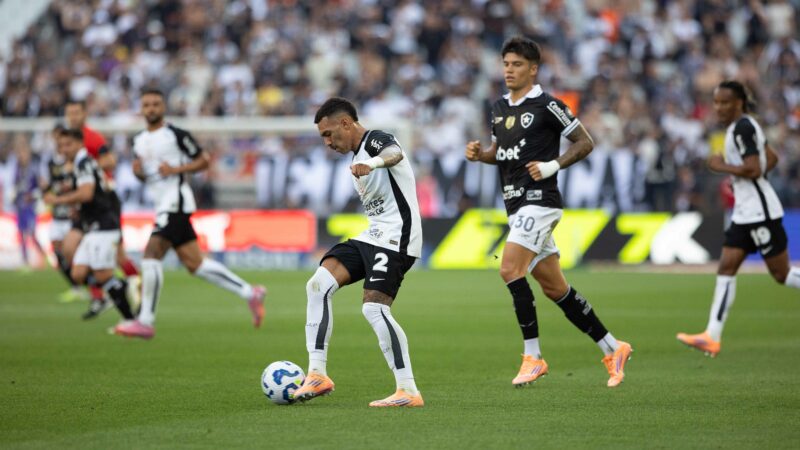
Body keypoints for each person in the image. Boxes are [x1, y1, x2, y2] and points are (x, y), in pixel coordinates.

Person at [465, 36, 632, 388]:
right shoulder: (498, 107)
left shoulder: (548, 105)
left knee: (510, 269)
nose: (509, 70)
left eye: (517, 65)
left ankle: (533, 357)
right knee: (556, 288)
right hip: (515, 204)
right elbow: (503, 152)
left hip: (540, 201)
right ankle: (613, 347)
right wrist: (483, 154)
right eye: (506, 64)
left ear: (533, 69)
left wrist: (553, 165)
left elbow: (585, 141)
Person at [292, 97, 424, 407]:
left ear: (346, 124)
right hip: (374, 234)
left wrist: (374, 162)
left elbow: (394, 153)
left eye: (328, 134)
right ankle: (317, 373)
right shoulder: (354, 156)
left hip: (398, 236)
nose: (327, 142)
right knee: (317, 285)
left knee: (374, 308)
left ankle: (408, 390)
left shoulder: (375, 140)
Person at [114, 89, 266, 340]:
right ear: (141, 109)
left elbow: (204, 160)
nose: (151, 108)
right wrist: (139, 172)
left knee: (151, 255)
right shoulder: (138, 140)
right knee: (196, 264)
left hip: (176, 203)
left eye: (156, 104)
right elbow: (144, 174)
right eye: (147, 105)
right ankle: (250, 292)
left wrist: (176, 168)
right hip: (162, 203)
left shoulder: (176, 135)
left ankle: (145, 321)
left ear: (163, 107)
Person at [677, 80, 800, 356]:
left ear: (739, 103)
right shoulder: (744, 127)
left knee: (782, 274)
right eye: (716, 102)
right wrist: (739, 178)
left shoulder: (742, 128)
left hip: (760, 213)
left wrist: (723, 167)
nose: (718, 107)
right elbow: (772, 158)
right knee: (726, 267)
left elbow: (755, 168)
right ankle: (711, 335)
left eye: (725, 102)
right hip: (745, 213)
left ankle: (712, 334)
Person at [43, 128, 135, 322]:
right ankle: (117, 286)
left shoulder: (84, 163)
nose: (64, 149)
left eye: (68, 144)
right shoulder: (79, 164)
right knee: (78, 273)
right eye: (61, 145)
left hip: (102, 224)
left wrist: (57, 200)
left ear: (79, 144)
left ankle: (130, 320)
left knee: (103, 275)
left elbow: (86, 194)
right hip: (91, 223)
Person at [61, 99, 140, 314]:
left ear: (84, 114)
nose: (73, 117)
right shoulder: (66, 142)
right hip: (85, 206)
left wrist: (90, 168)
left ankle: (135, 280)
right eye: (70, 113)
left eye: (77, 112)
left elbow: (110, 161)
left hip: (102, 201)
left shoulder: (92, 139)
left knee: (117, 256)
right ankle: (101, 295)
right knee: (69, 249)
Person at [42, 124, 85, 301]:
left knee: (74, 252)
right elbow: (49, 185)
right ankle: (77, 286)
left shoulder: (77, 162)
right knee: (58, 253)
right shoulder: (51, 162)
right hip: (57, 214)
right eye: (57, 138)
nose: (60, 143)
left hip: (72, 214)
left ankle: (94, 285)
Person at [13, 142, 46, 270]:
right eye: (20, 154)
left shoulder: (34, 169)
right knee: (21, 233)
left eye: (24, 153)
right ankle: (24, 260)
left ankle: (42, 256)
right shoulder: (17, 169)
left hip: (30, 206)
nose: (22, 156)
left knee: (32, 233)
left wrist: (33, 196)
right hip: (20, 206)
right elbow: (16, 185)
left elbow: (41, 187)